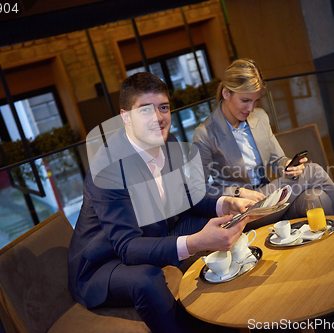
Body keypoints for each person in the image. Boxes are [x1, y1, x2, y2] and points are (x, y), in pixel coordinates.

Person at [68, 72, 254, 333]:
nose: (158, 118)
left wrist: (225, 203)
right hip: (106, 262)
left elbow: (186, 198)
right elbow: (127, 247)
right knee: (147, 280)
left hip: (156, 231)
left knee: (226, 222)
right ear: (126, 117)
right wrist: (195, 242)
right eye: (145, 110)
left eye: (163, 107)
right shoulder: (107, 169)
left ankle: (242, 309)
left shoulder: (170, 143)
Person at [189, 58, 334, 229]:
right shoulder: (205, 134)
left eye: (255, 101)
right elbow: (197, 191)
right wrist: (237, 192)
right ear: (226, 94)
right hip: (242, 211)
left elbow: (277, 161)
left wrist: (288, 166)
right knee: (313, 172)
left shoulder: (260, 117)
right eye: (245, 100)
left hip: (270, 198)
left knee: (319, 198)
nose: (250, 109)